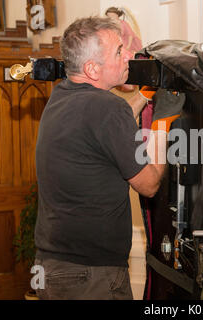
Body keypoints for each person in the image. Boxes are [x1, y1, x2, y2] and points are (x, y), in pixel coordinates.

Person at [33, 16, 179, 300]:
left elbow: (105, 131)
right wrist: (162, 124)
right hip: (92, 275)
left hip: (52, 268)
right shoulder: (108, 109)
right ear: (91, 68)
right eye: (118, 51)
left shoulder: (61, 97)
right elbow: (148, 184)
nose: (128, 56)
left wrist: (144, 97)